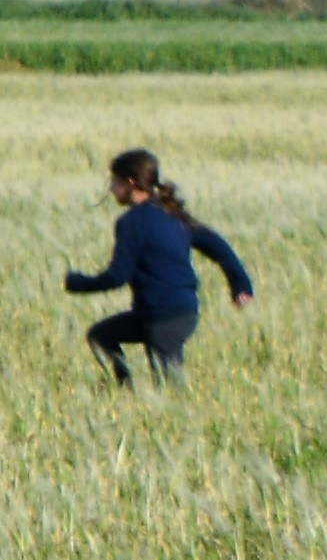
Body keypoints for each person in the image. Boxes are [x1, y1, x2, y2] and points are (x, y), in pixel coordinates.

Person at [69, 147, 257, 388]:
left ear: (130, 182)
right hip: (178, 311)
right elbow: (220, 248)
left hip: (163, 317)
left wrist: (76, 283)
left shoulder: (131, 223)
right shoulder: (173, 214)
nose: (111, 188)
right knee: (101, 335)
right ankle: (125, 391)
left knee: (170, 389)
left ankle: (144, 399)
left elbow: (117, 276)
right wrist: (241, 286)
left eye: (114, 181)